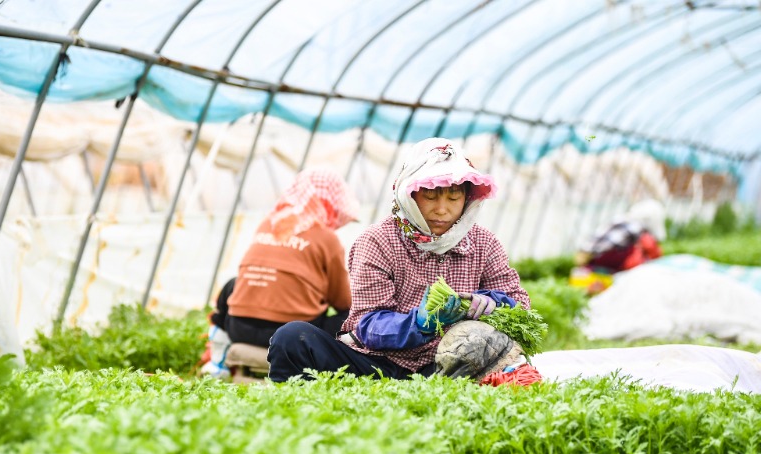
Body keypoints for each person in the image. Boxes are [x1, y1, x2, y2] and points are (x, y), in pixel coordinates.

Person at [267, 137, 531, 383]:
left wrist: (492, 302)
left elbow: (521, 307)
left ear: (468, 198)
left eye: (454, 197)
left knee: (499, 357)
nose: (442, 209)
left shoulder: (484, 243)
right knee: (292, 338)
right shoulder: (378, 241)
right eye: (430, 196)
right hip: (374, 362)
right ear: (410, 195)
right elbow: (368, 325)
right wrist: (418, 324)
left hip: (446, 363)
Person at [203, 167, 359, 376]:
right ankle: (331, 369)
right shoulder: (326, 238)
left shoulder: (268, 223)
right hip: (291, 333)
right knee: (354, 314)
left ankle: (217, 362)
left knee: (233, 284)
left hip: (239, 328)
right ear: (333, 203)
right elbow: (343, 301)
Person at [571, 199, 666, 295]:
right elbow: (652, 247)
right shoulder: (637, 227)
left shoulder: (620, 219)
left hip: (588, 256)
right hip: (604, 259)